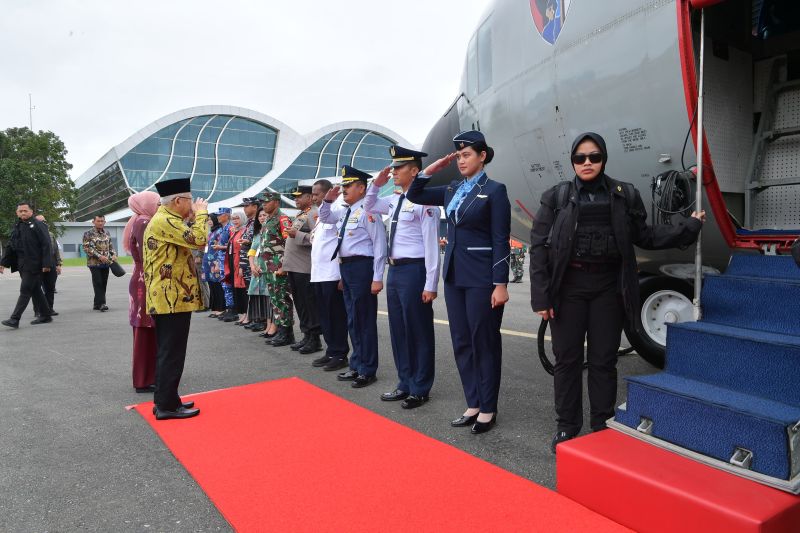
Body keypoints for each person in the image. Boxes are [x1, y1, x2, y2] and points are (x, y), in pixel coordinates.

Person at [529, 132, 706, 452]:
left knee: (603, 359)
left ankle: (601, 424)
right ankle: (567, 426)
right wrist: (541, 296)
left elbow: (645, 236)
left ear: (604, 159)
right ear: (572, 161)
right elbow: (539, 246)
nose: (587, 163)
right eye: (580, 157)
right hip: (568, 289)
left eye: (594, 157)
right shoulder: (556, 196)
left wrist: (688, 228)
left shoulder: (625, 195)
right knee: (567, 360)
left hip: (608, 289)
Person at [407, 130, 511, 434]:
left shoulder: (495, 191)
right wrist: (431, 170)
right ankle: (473, 403)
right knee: (462, 342)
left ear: (482, 156)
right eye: (459, 156)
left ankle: (488, 408)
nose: (462, 160)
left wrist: (500, 283)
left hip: (482, 278)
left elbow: (500, 239)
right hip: (454, 276)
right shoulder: (452, 189)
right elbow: (414, 194)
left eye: (467, 155)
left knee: (484, 341)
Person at [365, 146, 441, 409]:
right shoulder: (395, 199)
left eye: (399, 168)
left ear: (415, 171)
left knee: (418, 330)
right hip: (395, 270)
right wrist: (376, 185)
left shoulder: (425, 202)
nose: (394, 172)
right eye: (393, 167)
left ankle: (420, 387)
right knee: (398, 330)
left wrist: (431, 283)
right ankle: (405, 382)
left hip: (415, 270)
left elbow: (432, 246)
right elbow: (369, 205)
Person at [143, 178, 208, 420]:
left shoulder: (167, 219)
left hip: (170, 297)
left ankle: (166, 399)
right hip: (171, 298)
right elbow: (199, 239)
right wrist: (202, 214)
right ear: (178, 200)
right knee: (172, 352)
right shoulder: (166, 220)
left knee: (168, 351)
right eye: (190, 200)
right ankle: (167, 406)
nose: (193, 205)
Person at [319, 166, 387, 389]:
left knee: (364, 320)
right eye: (344, 185)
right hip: (347, 268)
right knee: (352, 318)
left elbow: (379, 245)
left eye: (348, 185)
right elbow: (326, 217)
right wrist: (327, 201)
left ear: (361, 188)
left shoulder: (368, 212)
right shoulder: (345, 211)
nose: (344, 189)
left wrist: (377, 277)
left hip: (362, 267)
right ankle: (356, 364)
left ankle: (368, 369)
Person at [309, 179, 350, 371]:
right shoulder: (321, 216)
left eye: (316, 194)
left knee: (336, 316)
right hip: (318, 274)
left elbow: (343, 243)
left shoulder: (338, 211)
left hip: (332, 274)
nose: (313, 197)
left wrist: (342, 274)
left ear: (327, 193)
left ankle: (340, 354)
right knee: (324, 316)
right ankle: (331, 350)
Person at [123, 191, 160, 393]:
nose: (159, 206)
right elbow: (151, 256)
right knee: (145, 329)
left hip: (141, 278)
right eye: (157, 203)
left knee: (145, 330)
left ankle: (147, 375)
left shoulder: (138, 220)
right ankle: (144, 379)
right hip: (146, 280)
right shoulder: (144, 222)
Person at [1, 202, 54, 328]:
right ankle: (46, 315)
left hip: (35, 264)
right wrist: (3, 263)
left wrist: (46, 263)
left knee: (25, 290)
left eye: (25, 210)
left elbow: (46, 244)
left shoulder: (38, 225)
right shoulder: (17, 226)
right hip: (22, 264)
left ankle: (15, 319)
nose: (23, 213)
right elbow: (11, 245)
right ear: (17, 213)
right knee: (35, 290)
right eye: (20, 211)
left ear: (31, 212)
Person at [284, 185, 322, 354]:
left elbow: (317, 238)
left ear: (309, 197)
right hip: (294, 267)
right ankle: (306, 335)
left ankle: (315, 339)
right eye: (295, 197)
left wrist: (297, 235)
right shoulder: (301, 214)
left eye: (300, 196)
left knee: (309, 304)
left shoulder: (314, 213)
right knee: (300, 304)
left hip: (304, 267)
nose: (296, 199)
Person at [258, 192, 295, 347]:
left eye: (267, 201)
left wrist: (284, 265)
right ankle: (281, 330)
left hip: (279, 267)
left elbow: (290, 243)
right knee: (275, 299)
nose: (264, 204)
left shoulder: (283, 219)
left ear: (276, 202)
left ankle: (287, 333)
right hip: (269, 267)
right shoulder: (268, 220)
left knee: (282, 299)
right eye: (263, 202)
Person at [247, 206, 273, 336]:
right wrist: (252, 266)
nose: (262, 218)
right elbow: (252, 251)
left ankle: (271, 326)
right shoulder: (257, 233)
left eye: (264, 215)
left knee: (270, 297)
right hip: (256, 270)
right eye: (260, 216)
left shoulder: (272, 230)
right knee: (262, 297)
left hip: (268, 269)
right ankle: (266, 325)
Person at [82, 214, 117, 311]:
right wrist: (99, 256)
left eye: (102, 221)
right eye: (98, 221)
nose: (100, 223)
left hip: (106, 263)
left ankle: (96, 304)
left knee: (104, 283)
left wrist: (114, 254)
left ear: (105, 222)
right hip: (94, 263)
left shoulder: (107, 233)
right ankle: (102, 303)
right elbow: (86, 248)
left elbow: (111, 246)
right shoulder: (88, 233)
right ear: (93, 222)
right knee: (98, 283)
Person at [238, 197, 261, 328]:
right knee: (250, 290)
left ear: (255, 207)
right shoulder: (249, 223)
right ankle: (253, 317)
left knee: (256, 290)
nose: (244, 208)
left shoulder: (258, 221)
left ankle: (258, 319)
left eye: (247, 206)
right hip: (247, 261)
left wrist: (248, 241)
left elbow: (259, 242)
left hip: (254, 261)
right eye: (244, 206)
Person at [33, 214, 62, 316]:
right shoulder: (32, 235)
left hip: (51, 264)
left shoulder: (51, 234)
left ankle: (49, 309)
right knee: (36, 289)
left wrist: (58, 264)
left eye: (44, 221)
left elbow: (56, 250)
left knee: (50, 288)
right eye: (41, 222)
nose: (43, 223)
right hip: (37, 266)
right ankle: (38, 311)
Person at [214, 207, 236, 322]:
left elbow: (233, 244)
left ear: (227, 216)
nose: (218, 217)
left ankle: (232, 309)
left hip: (228, 260)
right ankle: (228, 308)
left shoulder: (230, 228)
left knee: (228, 285)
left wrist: (220, 247)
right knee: (224, 285)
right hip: (222, 260)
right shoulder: (223, 228)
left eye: (220, 214)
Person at [203, 214, 226, 318]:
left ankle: (221, 308)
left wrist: (217, 263)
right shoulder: (211, 232)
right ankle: (215, 308)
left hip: (215, 261)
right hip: (208, 261)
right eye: (208, 220)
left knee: (218, 285)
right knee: (211, 284)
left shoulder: (219, 231)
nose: (209, 221)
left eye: (211, 219)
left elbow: (219, 247)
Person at [228, 211, 249, 324]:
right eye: (233, 218)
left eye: (237, 218)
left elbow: (243, 249)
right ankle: (243, 314)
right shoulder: (235, 231)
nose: (235, 221)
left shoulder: (244, 231)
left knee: (243, 288)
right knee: (237, 288)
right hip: (233, 261)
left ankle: (247, 314)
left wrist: (241, 265)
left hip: (240, 261)